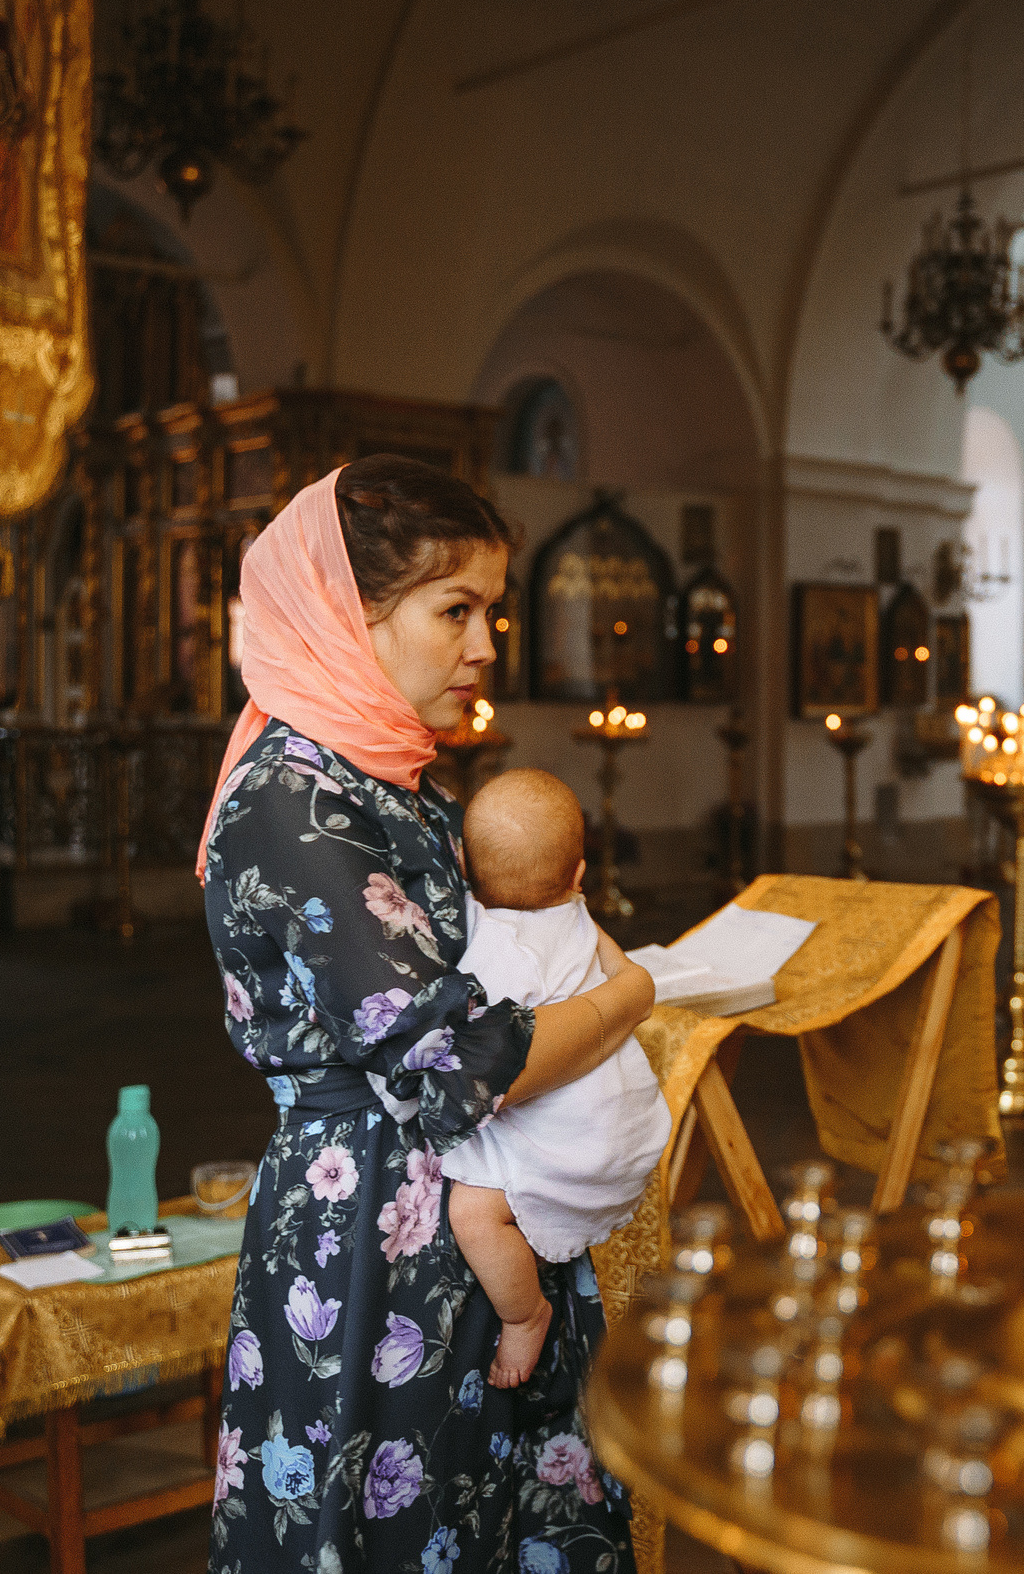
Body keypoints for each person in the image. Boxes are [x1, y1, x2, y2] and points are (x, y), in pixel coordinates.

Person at [200, 455, 647, 1570]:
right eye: (456, 610)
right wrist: (635, 993)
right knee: (391, 1523)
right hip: (373, 1239)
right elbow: (453, 1065)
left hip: (477, 1201)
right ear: (350, 618)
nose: (486, 645)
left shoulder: (392, 776)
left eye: (489, 611)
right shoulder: (295, 797)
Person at [437, 769, 670, 1390]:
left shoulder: (485, 943)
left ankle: (525, 1313)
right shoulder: (580, 917)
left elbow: (484, 1057)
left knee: (473, 1214)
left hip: (568, 1135)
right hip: (626, 1126)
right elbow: (625, 975)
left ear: (462, 867)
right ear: (579, 875)